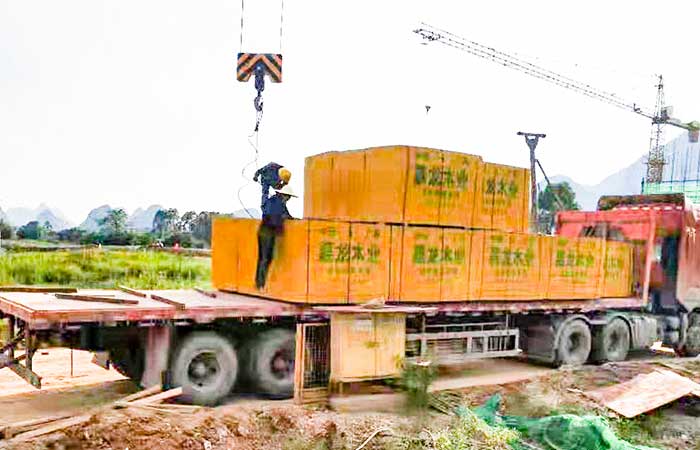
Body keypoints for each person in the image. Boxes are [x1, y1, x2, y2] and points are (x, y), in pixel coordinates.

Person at [255, 184, 296, 289]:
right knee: (265, 258)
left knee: (264, 258)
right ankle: (260, 284)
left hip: (265, 232)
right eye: (288, 197)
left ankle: (259, 283)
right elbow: (275, 218)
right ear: (284, 195)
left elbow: (286, 215)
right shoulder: (276, 203)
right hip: (267, 233)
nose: (289, 199)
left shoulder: (276, 202)